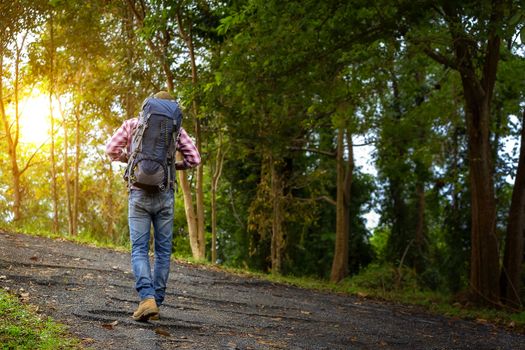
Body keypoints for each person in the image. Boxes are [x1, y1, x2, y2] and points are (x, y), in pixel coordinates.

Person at [105, 91, 200, 321]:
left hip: (138, 193)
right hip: (165, 193)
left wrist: (132, 160)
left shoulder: (133, 124)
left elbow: (111, 149)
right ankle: (156, 299)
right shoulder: (175, 129)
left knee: (139, 249)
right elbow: (194, 159)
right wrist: (172, 166)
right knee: (163, 251)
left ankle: (146, 298)